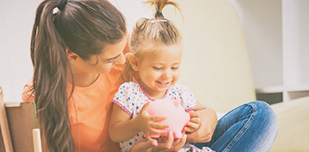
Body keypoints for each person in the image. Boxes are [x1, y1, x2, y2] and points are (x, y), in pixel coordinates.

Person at [22, 0, 278, 151]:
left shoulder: (127, 56)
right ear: (73, 56)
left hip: (176, 143)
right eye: (112, 59)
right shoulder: (42, 98)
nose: (125, 62)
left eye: (124, 50)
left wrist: (207, 119)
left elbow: (188, 105)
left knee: (261, 115)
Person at [108, 1, 214, 152]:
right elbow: (114, 133)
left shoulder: (179, 93)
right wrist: (137, 124)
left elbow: (204, 112)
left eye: (175, 67)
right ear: (135, 62)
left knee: (258, 111)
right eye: (158, 68)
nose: (168, 75)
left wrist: (197, 123)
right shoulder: (129, 93)